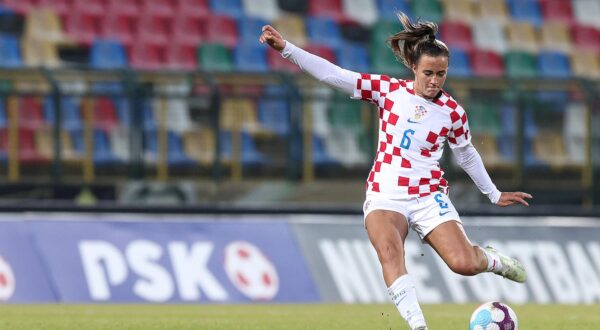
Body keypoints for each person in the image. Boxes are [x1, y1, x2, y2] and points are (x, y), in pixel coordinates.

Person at [260, 13, 532, 330]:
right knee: (390, 253)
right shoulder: (387, 91)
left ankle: (495, 260)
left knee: (464, 264)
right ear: (413, 68)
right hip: (385, 194)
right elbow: (333, 75)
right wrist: (287, 49)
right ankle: (418, 326)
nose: (434, 80)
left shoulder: (453, 113)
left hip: (429, 196)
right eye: (428, 72)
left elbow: (466, 153)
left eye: (441, 74)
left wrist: (494, 193)